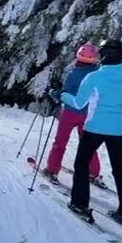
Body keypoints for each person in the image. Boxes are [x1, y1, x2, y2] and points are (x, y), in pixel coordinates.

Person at [54, 39, 122, 232]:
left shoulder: (94, 78)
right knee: (120, 171)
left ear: (102, 55)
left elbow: (78, 103)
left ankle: (80, 204)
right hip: (120, 131)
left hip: (94, 128)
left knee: (81, 164)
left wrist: (60, 95)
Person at [43, 44, 105, 187]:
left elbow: (66, 93)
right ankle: (93, 172)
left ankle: (52, 169)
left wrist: (53, 92)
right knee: (88, 144)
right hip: (88, 114)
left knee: (60, 142)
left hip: (70, 112)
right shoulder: (97, 74)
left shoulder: (74, 73)